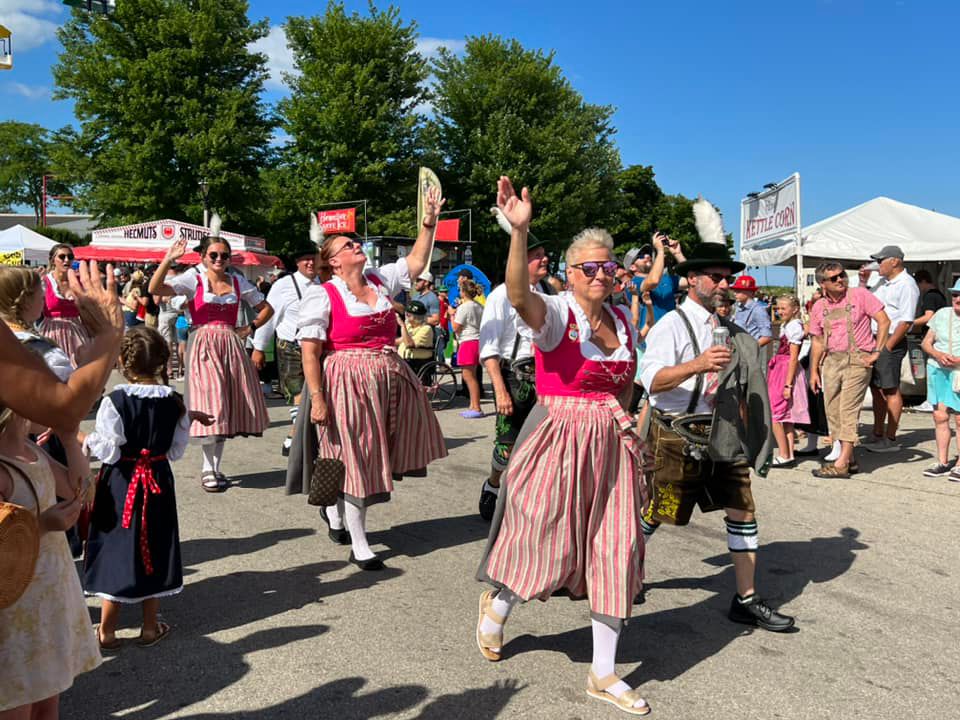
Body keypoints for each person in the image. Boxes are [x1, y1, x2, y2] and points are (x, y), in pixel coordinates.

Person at [477, 177, 651, 716]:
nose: (600, 275)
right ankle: (499, 603)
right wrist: (518, 231)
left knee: (616, 547)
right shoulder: (557, 314)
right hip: (558, 436)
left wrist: (627, 430)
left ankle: (603, 671)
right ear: (570, 274)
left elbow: (625, 383)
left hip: (611, 443)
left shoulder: (623, 319)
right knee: (543, 538)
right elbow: (516, 294)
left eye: (607, 266)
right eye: (588, 268)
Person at [639, 197, 794, 633]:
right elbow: (650, 382)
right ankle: (625, 573)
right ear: (692, 281)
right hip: (675, 435)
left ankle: (745, 598)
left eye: (727, 278)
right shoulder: (672, 325)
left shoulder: (732, 329)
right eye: (716, 277)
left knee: (743, 511)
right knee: (656, 511)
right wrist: (696, 365)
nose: (725, 284)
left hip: (723, 435)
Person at [289, 187, 448, 571]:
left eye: (356, 242)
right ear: (333, 261)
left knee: (374, 456)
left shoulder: (379, 281)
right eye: (348, 244)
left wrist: (429, 223)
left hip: (387, 380)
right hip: (346, 381)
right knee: (355, 458)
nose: (357, 245)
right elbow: (310, 351)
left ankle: (338, 514)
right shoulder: (324, 295)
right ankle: (360, 542)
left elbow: (414, 261)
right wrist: (318, 397)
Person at [82, 326, 192, 650]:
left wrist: (80, 439)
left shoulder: (115, 401)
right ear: (161, 361)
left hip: (121, 482)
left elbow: (110, 450)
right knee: (154, 544)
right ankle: (148, 627)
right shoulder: (176, 402)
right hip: (157, 479)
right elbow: (175, 451)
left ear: (123, 363)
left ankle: (107, 631)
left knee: (118, 544)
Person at [148, 214, 273, 492]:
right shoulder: (193, 279)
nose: (219, 259)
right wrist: (169, 259)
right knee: (211, 403)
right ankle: (207, 468)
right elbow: (154, 288)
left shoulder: (238, 283)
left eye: (224, 255)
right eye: (214, 255)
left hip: (229, 346)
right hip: (203, 343)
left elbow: (267, 309)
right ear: (203, 257)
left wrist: (248, 328)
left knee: (224, 404)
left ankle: (215, 468)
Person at [0, 401, 101, 717]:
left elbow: (84, 492)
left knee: (48, 701)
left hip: (50, 597)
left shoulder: (33, 451)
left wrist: (70, 440)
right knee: (18, 703)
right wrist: (42, 525)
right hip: (15, 608)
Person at [475, 236, 551, 521]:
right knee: (507, 445)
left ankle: (526, 498)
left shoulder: (547, 292)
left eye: (544, 253)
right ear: (520, 260)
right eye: (536, 255)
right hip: (513, 376)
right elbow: (489, 349)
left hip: (545, 377)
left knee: (542, 444)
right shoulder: (500, 295)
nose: (544, 259)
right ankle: (494, 485)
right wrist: (500, 391)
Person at [807, 262, 890, 478]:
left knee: (847, 410)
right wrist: (814, 371)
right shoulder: (818, 307)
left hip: (857, 360)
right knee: (832, 411)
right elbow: (817, 341)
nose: (840, 280)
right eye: (833, 278)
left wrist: (877, 351)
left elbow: (884, 321)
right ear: (822, 283)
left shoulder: (860, 295)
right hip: (831, 361)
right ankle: (850, 459)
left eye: (842, 275)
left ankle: (842, 463)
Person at [252, 231, 323, 457]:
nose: (310, 262)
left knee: (317, 393)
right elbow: (269, 316)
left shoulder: (326, 283)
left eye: (313, 258)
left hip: (318, 346)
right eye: (305, 259)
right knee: (297, 396)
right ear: (297, 262)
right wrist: (259, 348)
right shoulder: (284, 285)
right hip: (290, 346)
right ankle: (301, 437)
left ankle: (294, 436)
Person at [864, 245, 919, 453]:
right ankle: (878, 434)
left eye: (881, 261)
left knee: (890, 388)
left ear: (894, 261)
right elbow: (868, 300)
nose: (878, 265)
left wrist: (886, 346)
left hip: (889, 339)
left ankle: (891, 438)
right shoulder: (883, 282)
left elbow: (905, 321)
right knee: (877, 389)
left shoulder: (907, 284)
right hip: (876, 338)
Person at [920, 279, 960, 479]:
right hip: (938, 369)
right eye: (955, 294)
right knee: (940, 416)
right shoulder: (942, 314)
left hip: (959, 371)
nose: (957, 298)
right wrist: (937, 355)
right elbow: (926, 342)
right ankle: (942, 461)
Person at [767, 295, 810, 467]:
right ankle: (789, 453)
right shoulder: (790, 325)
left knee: (775, 415)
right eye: (778, 308)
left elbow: (793, 358)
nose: (780, 311)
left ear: (795, 309)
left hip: (785, 371)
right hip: (781, 368)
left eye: (784, 308)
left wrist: (788, 384)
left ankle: (784, 454)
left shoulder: (794, 326)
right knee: (786, 418)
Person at [39, 243, 91, 368]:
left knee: (80, 370)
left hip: (76, 331)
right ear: (53, 260)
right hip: (52, 331)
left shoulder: (78, 282)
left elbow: (86, 309)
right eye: (62, 257)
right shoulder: (44, 281)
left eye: (70, 256)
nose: (67, 260)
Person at [454, 279, 484, 418]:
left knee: (468, 376)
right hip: (477, 340)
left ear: (463, 292)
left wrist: (451, 314)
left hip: (467, 341)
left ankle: (476, 407)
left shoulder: (464, 307)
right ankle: (473, 405)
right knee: (473, 375)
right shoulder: (478, 306)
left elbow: (456, 327)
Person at [731, 275, 773, 348]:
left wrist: (750, 349)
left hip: (749, 354)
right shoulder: (738, 308)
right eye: (735, 291)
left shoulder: (758, 310)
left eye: (738, 291)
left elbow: (767, 336)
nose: (735, 293)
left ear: (750, 292)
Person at [397, 300, 435, 377]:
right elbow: (401, 340)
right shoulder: (410, 326)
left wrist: (402, 325)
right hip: (403, 360)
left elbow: (409, 344)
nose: (406, 317)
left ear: (417, 318)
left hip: (416, 362)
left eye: (408, 315)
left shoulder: (426, 329)